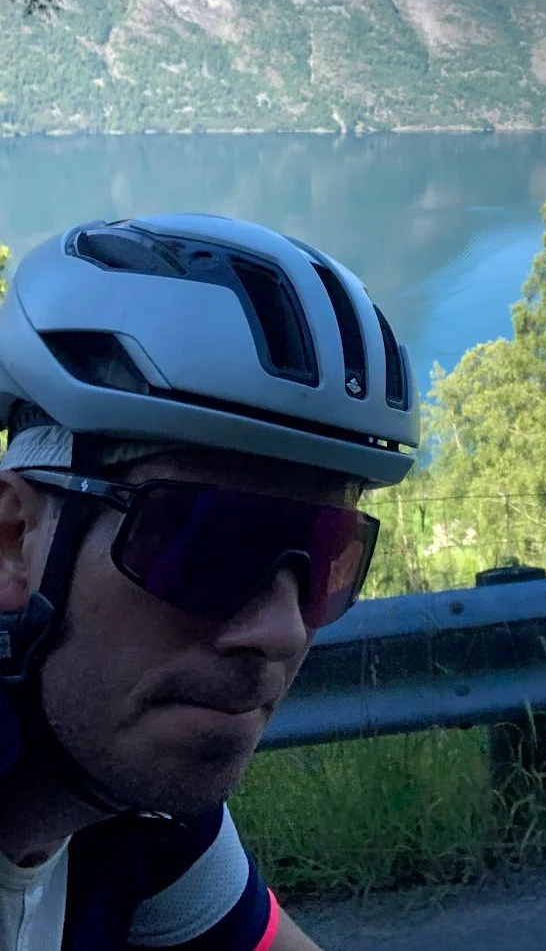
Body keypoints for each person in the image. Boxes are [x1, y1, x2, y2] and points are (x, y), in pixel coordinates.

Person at [0, 213, 420, 950]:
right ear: (13, 541)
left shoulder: (143, 805)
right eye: (204, 544)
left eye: (327, 559)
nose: (284, 630)